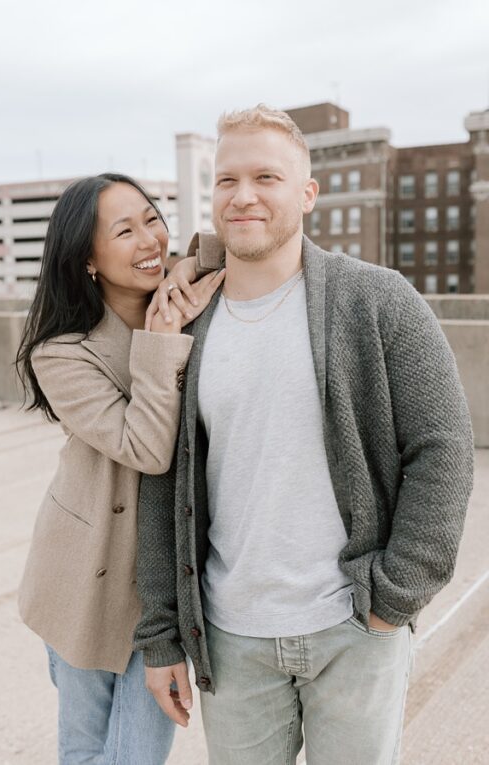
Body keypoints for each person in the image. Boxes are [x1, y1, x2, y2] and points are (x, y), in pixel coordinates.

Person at [135, 105, 474, 765]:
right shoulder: (185, 323)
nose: (245, 195)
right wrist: (162, 636)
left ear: (308, 193)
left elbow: (443, 448)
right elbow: (161, 476)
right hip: (232, 638)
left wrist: (396, 592)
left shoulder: (378, 301)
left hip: (354, 630)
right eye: (227, 180)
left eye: (267, 176)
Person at [13, 173, 224, 764]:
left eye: (152, 219)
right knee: (85, 751)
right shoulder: (62, 351)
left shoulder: (198, 300)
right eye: (124, 230)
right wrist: (161, 339)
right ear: (87, 259)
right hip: (86, 577)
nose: (148, 238)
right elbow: (147, 448)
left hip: (166, 583)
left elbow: (253, 243)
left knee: (137, 756)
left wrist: (183, 269)